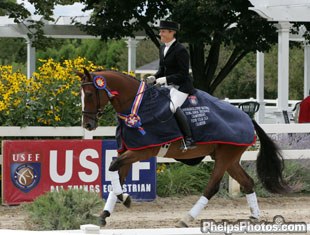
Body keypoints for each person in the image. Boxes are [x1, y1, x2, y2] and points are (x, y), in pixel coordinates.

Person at [146, 20, 196, 151]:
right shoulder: (162, 48)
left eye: (163, 31)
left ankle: (189, 139)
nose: (160, 34)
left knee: (172, 107)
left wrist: (164, 79)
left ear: (172, 32)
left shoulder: (181, 50)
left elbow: (183, 74)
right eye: (160, 31)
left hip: (182, 86)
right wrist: (154, 77)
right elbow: (162, 69)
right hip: (168, 86)